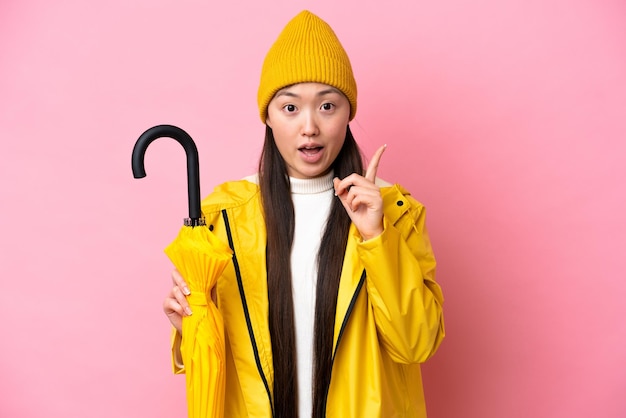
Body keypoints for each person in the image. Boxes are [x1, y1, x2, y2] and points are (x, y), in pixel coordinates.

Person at [163, 10, 444, 418]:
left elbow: (416, 343)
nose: (309, 126)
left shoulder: (396, 213)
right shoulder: (223, 217)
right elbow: (218, 358)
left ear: (348, 115)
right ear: (268, 117)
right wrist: (185, 328)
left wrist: (377, 237)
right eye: (290, 108)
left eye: (327, 105)